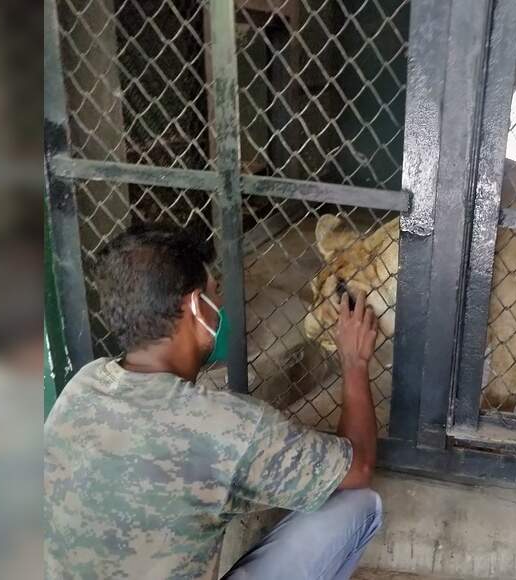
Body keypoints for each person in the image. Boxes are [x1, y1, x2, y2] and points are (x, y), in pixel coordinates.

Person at [44, 223, 381, 580]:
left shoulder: (83, 384)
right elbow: (357, 469)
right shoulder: (227, 425)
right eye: (215, 291)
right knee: (359, 504)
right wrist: (354, 362)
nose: (221, 303)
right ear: (195, 305)